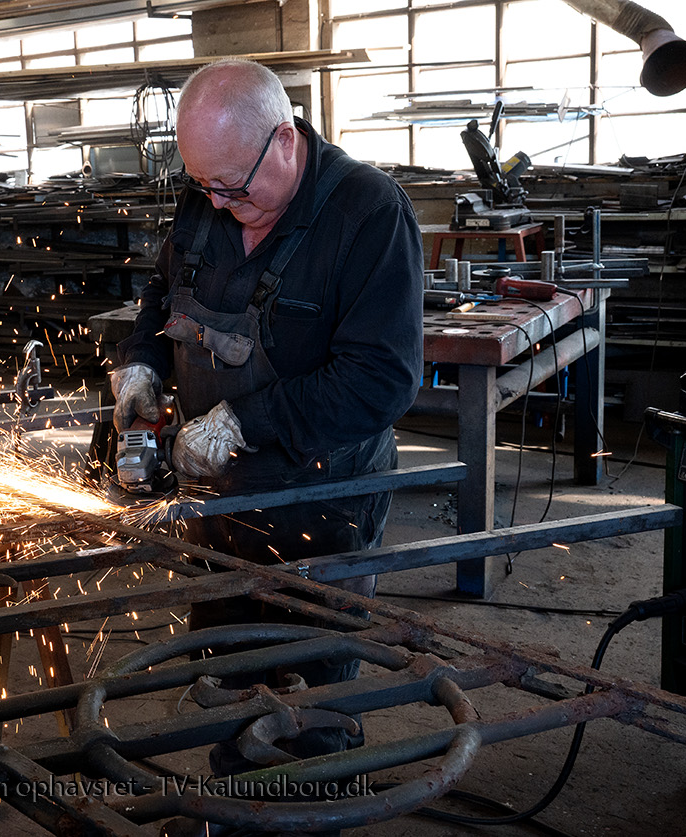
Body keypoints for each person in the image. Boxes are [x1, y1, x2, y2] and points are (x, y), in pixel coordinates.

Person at [111, 59, 424, 763]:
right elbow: (164, 294)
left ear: (285, 139)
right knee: (223, 675)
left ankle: (314, 796)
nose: (217, 203)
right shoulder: (211, 193)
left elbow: (383, 378)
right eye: (202, 185)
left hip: (321, 504)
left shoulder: (369, 214)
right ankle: (232, 799)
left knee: (311, 696)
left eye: (232, 186)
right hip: (217, 509)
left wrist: (242, 423)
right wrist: (141, 359)